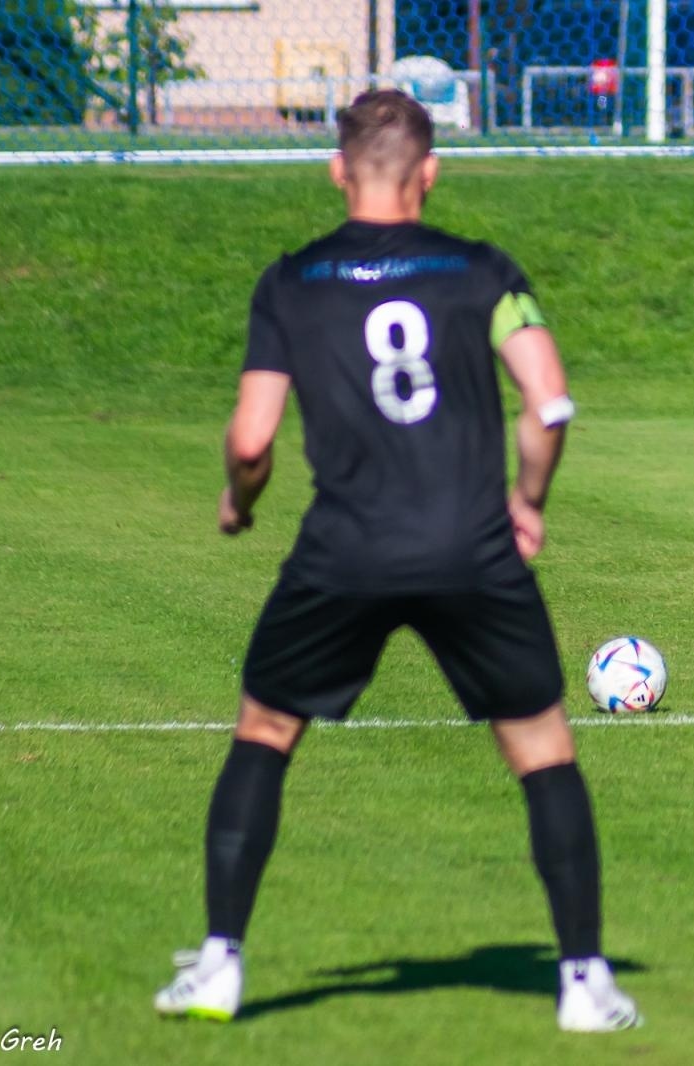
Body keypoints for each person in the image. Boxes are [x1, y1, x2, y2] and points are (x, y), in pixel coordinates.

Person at [153, 90, 639, 1032]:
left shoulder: (291, 282)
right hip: (472, 545)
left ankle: (219, 965)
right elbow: (549, 402)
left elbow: (252, 440)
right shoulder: (481, 270)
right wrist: (528, 503)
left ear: (337, 170)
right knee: (541, 749)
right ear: (431, 172)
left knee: (265, 733)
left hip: (345, 552)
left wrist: (237, 501)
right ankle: (583, 981)